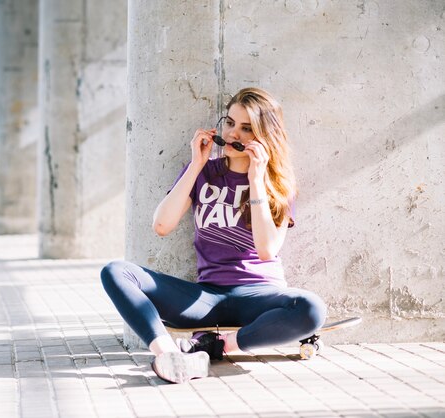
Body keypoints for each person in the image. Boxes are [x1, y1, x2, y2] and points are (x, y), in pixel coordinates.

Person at [101, 87, 327, 384]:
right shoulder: (204, 172)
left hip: (259, 295)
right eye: (230, 123)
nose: (234, 134)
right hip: (206, 297)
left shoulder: (278, 185)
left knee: (311, 309)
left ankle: (220, 345)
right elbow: (161, 226)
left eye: (247, 129)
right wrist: (196, 165)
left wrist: (256, 180)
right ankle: (169, 355)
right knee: (116, 271)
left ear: (265, 136)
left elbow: (266, 250)